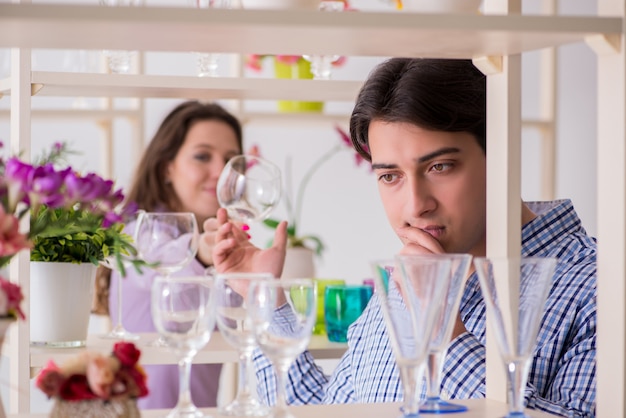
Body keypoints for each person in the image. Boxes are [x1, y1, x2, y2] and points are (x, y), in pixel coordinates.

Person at [206, 58, 596, 417]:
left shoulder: (599, 287)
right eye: (390, 176)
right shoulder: (405, 278)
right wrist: (266, 301)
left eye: (440, 166)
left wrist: (445, 332)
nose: (415, 205)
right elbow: (332, 408)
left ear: (503, 154)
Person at [108, 100, 243, 409]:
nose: (220, 172)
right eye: (202, 156)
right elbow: (161, 265)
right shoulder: (138, 233)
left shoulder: (222, 240)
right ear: (167, 166)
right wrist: (202, 252)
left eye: (230, 160)